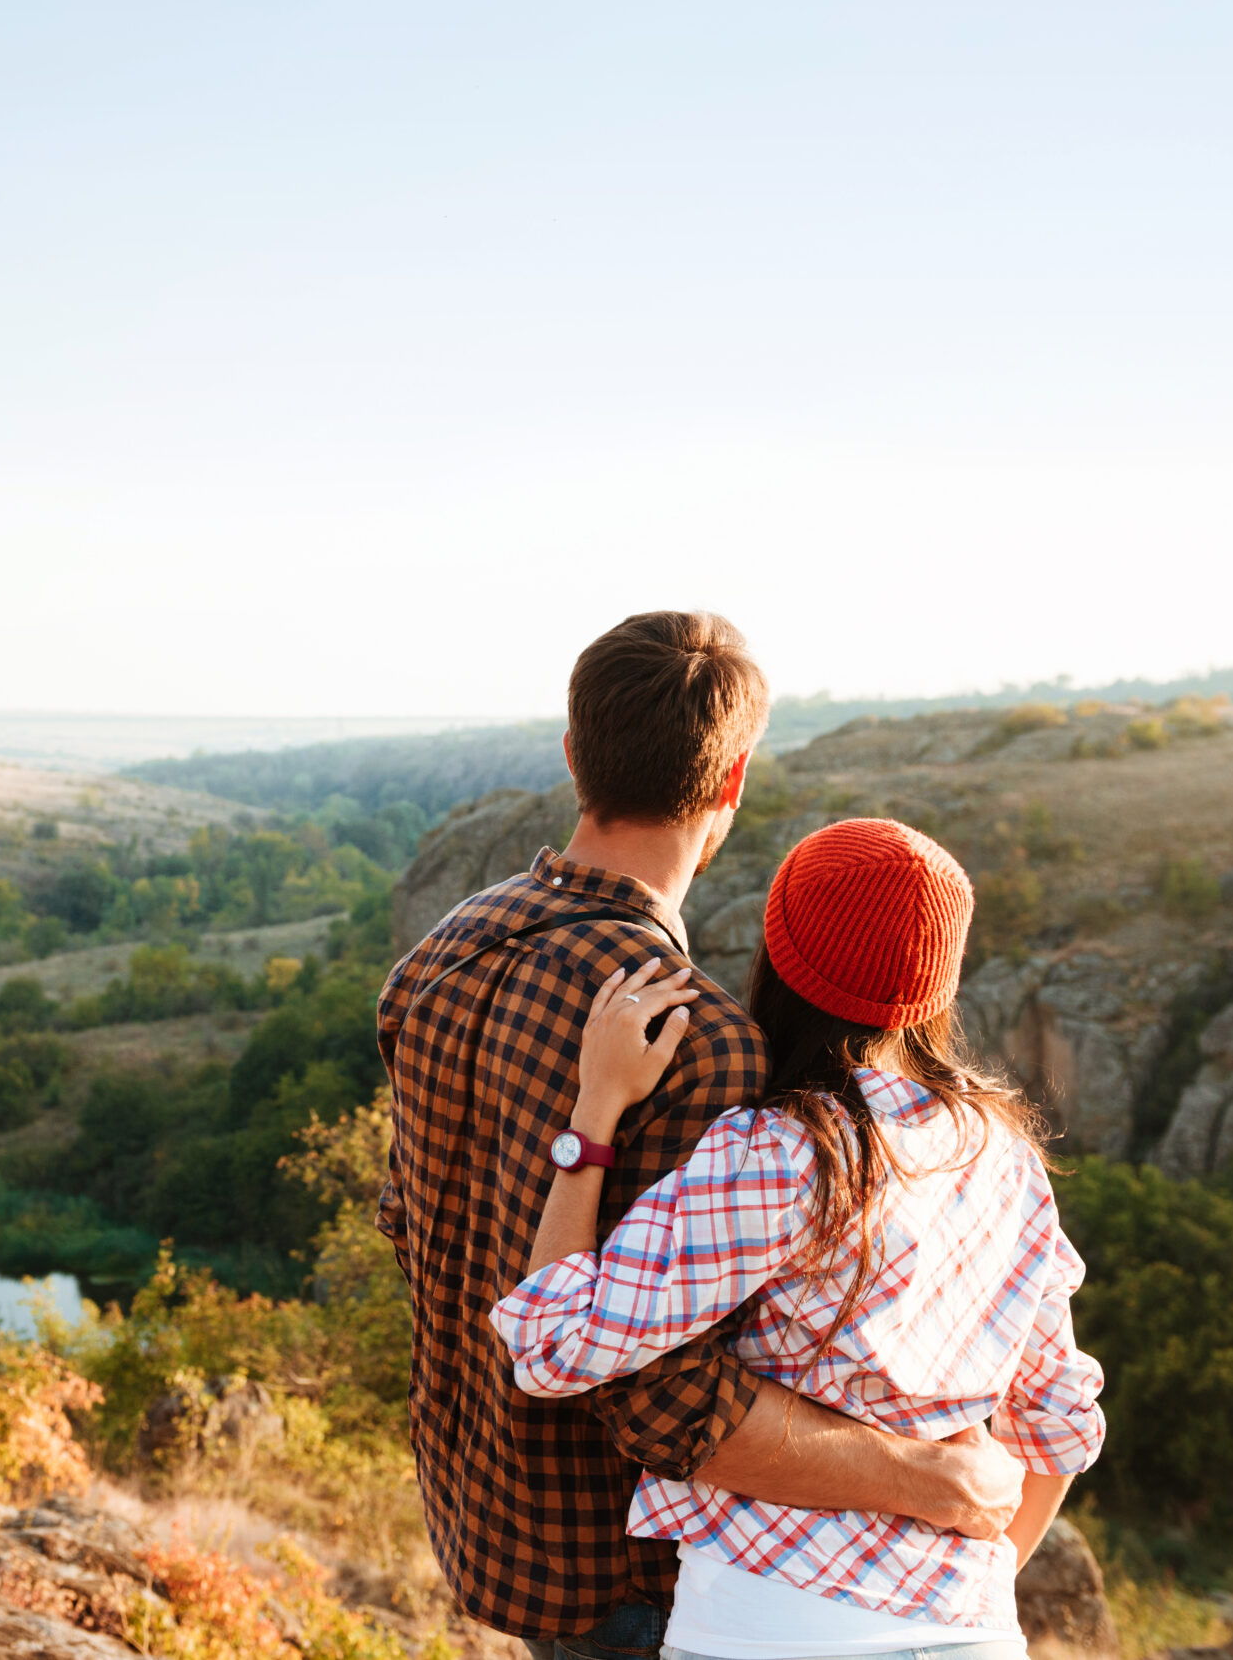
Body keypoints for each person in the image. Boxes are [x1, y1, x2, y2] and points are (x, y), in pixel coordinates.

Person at [377, 612, 1028, 1660]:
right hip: (637, 1571)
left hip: (487, 1515)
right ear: (731, 784)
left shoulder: (436, 959)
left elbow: (414, 1230)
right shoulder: (708, 1047)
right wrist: (924, 1476)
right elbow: (661, 1388)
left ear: (573, 754)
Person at [491, 817, 1106, 1660]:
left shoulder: (779, 1155)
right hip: (975, 1633)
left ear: (777, 958)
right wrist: (958, 1596)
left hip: (766, 1626)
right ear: (937, 985)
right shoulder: (1006, 1160)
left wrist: (594, 1112)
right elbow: (1061, 1422)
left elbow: (555, 1341)